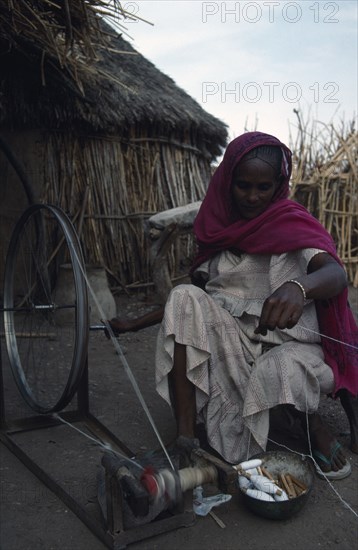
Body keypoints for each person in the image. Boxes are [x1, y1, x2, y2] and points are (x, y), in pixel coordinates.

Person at [108, 131, 358, 479]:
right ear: (228, 181)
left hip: (293, 346)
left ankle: (308, 424)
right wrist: (134, 323)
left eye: (263, 187)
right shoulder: (217, 230)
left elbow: (334, 273)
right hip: (236, 344)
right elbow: (190, 304)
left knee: (279, 370)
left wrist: (299, 287)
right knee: (184, 297)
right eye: (244, 186)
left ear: (278, 185)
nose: (253, 197)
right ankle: (186, 439)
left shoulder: (290, 223)